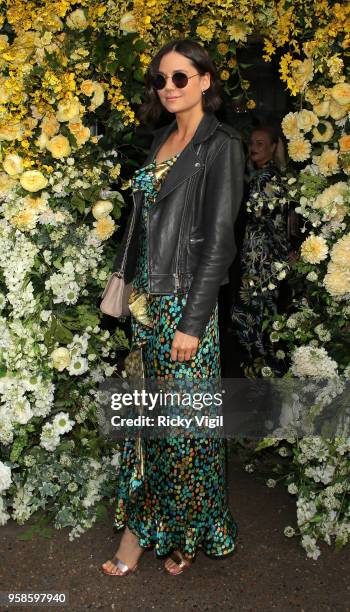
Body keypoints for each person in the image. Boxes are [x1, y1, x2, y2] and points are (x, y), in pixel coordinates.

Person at [101, 38, 244, 576]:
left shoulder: (220, 144)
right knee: (147, 425)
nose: (168, 88)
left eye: (180, 77)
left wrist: (192, 321)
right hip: (146, 304)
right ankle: (145, 529)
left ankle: (181, 531)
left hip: (186, 306)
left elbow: (219, 241)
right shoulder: (161, 138)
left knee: (184, 432)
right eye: (161, 80)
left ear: (206, 80)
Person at [231, 124, 290, 375]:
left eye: (260, 144)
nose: (253, 149)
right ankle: (261, 380)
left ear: (274, 147)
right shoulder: (263, 176)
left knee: (254, 325)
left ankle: (262, 380)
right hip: (259, 262)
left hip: (261, 264)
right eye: (251, 144)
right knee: (256, 323)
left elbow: (270, 223)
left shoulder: (266, 178)